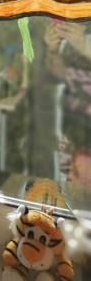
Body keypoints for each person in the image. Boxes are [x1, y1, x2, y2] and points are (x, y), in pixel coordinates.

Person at [44, 21, 91, 190]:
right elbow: (58, 74)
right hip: (72, 135)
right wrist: (53, 49)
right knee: (70, 195)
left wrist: (85, 48)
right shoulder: (73, 26)